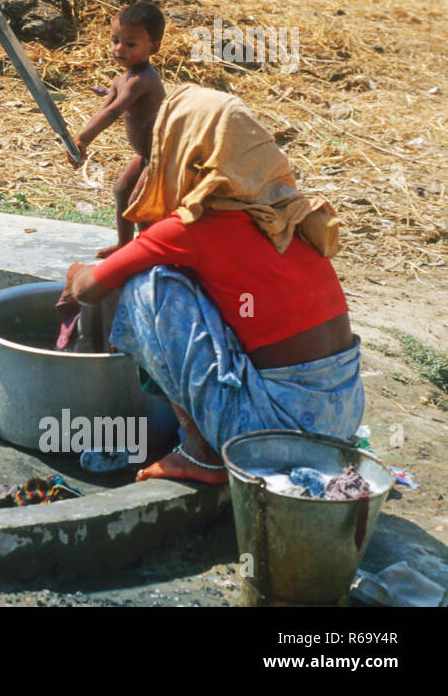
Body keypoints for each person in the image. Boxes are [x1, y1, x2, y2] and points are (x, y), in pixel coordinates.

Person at [64, 84, 364, 484]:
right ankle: (216, 437)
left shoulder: (193, 228)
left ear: (185, 155)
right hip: (341, 423)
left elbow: (88, 290)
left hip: (270, 435)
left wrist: (76, 273)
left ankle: (201, 452)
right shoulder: (288, 212)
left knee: (147, 284)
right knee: (204, 287)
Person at [68, 1, 167, 258]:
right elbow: (103, 110)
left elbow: (113, 113)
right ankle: (125, 247)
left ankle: (149, 254)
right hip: (145, 155)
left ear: (153, 47)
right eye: (115, 40)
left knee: (139, 202)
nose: (119, 49)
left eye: (130, 44)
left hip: (162, 155)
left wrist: (82, 138)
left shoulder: (142, 80)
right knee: (122, 190)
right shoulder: (120, 80)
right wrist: (80, 142)